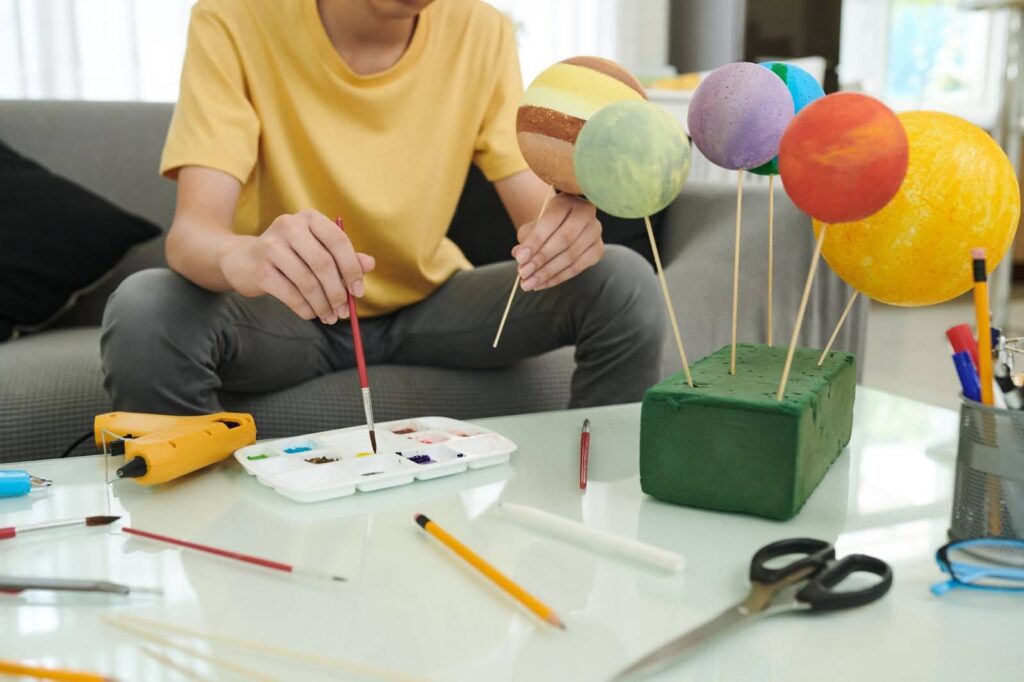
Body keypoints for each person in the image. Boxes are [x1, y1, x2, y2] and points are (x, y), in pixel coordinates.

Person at [101, 0, 666, 414]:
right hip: (288, 314)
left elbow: (534, 212)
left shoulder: (481, 29)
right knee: (147, 309)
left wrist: (562, 232)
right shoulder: (232, 18)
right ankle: (199, 537)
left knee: (620, 279)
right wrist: (243, 258)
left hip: (431, 307)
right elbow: (192, 233)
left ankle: (602, 507)